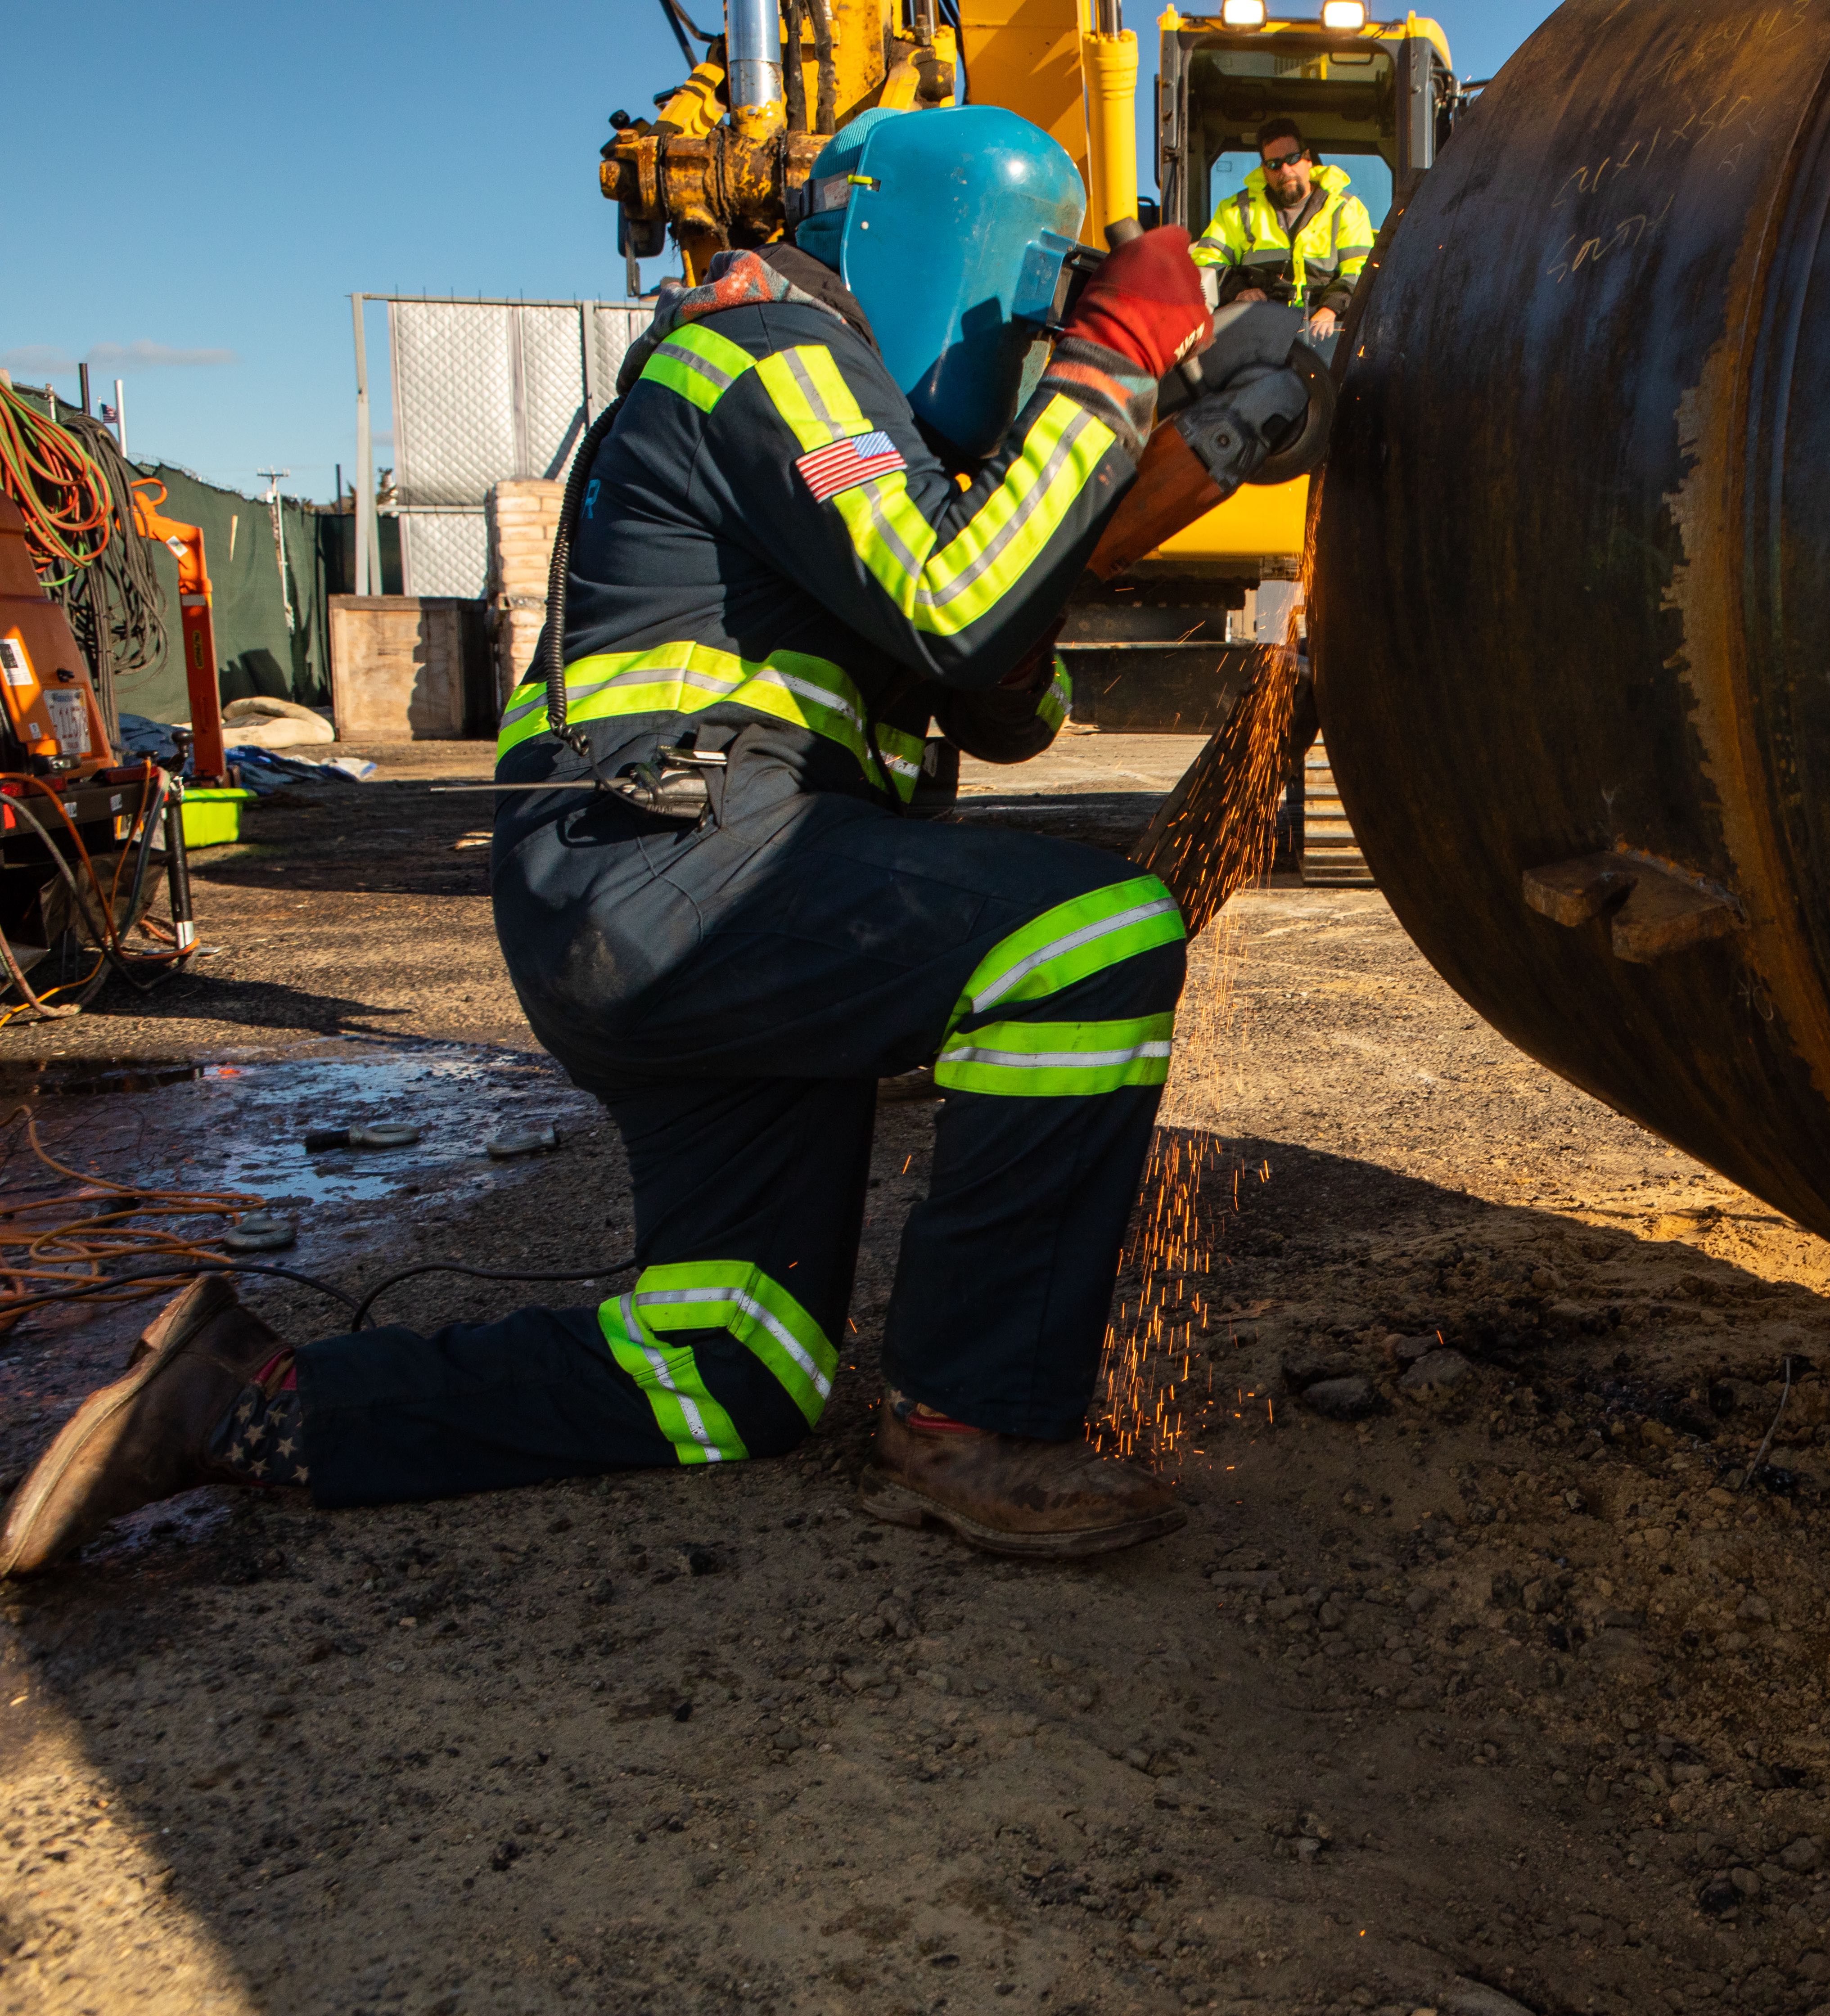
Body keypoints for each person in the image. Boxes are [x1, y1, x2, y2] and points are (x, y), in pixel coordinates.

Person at [0, 105, 1317, 1577]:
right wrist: (1118, 363)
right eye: (1032, 299)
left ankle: (243, 1404)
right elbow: (965, 607)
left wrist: (1192, 442)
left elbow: (1006, 691)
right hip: (678, 874)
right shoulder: (771, 353)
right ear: (940, 251)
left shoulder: (875, 447)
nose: (1033, 342)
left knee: (737, 1370)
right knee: (1092, 930)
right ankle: (980, 1418)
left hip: (696, 895)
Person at [1190, 118, 1377, 345]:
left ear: (1307, 159)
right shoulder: (1236, 212)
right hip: (1256, 337)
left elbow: (1361, 271)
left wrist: (1331, 308)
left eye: (1292, 159)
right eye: (1274, 164)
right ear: (1264, 170)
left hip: (1328, 341)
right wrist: (1239, 293)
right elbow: (1206, 264)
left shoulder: (1346, 210)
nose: (1285, 170)